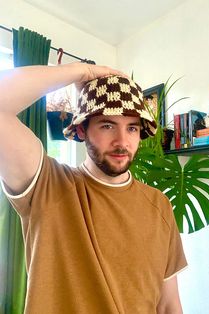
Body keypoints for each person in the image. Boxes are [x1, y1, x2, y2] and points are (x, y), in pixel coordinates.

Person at [0, 62, 187, 314]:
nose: (122, 142)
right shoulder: (47, 186)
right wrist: (83, 72)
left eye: (132, 128)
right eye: (107, 125)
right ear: (81, 129)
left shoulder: (158, 204)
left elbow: (168, 304)